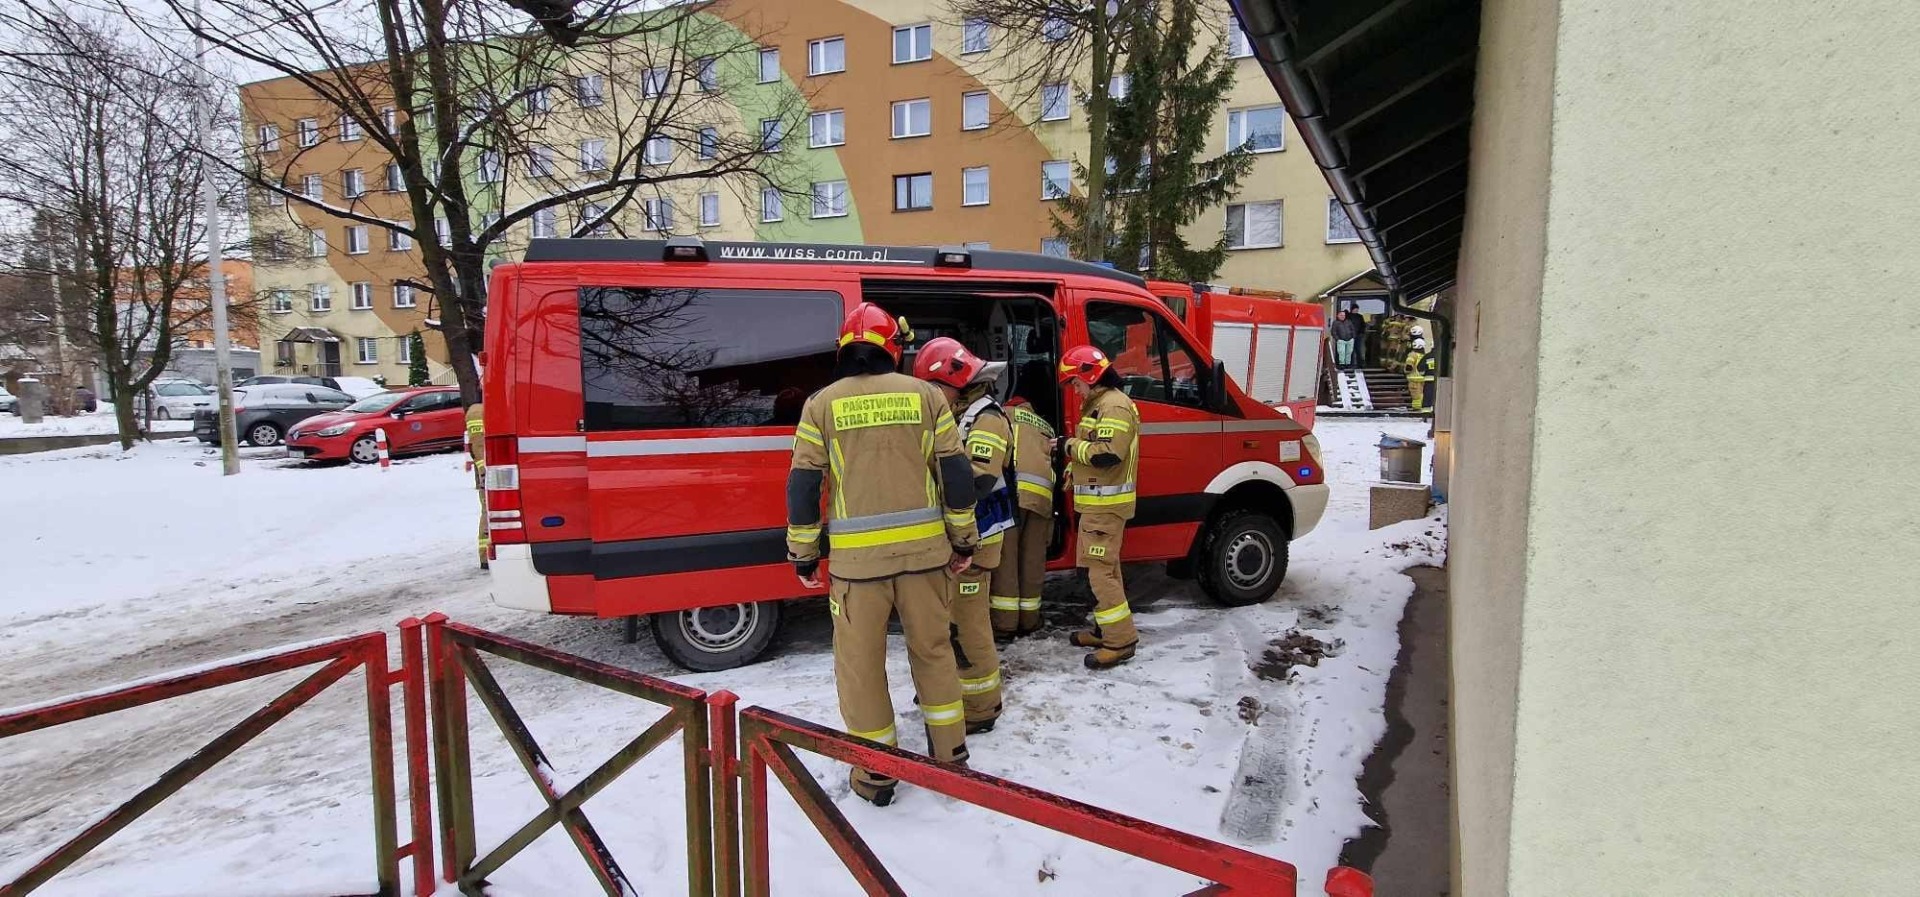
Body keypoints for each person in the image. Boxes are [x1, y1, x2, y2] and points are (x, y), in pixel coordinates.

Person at [786, 303, 980, 806]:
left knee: (861, 666)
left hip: (856, 570)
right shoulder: (928, 397)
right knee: (934, 653)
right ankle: (951, 756)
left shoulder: (820, 406)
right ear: (894, 345)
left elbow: (805, 484)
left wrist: (804, 554)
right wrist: (963, 541)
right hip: (925, 557)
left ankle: (875, 775)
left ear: (845, 349)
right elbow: (956, 476)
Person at [910, 337, 1010, 734]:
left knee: (969, 626)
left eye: (935, 390)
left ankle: (982, 707)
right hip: (958, 536)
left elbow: (980, 480)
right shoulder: (959, 413)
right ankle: (947, 689)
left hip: (980, 537)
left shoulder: (987, 418)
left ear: (955, 379)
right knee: (948, 621)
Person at [1056, 345, 1141, 670]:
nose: (1075, 392)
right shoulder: (1102, 405)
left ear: (1090, 376)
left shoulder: (1114, 406)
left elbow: (1108, 454)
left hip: (1106, 508)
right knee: (1107, 570)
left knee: (1100, 573)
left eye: (1076, 384)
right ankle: (1106, 630)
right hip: (1099, 507)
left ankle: (1120, 642)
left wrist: (1068, 446)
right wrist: (1072, 468)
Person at [995, 382, 1056, 640]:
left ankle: (1005, 623)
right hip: (1041, 498)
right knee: (1031, 560)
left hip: (1012, 496)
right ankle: (1030, 619)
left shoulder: (998, 416)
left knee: (1006, 562)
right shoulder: (1045, 425)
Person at [1405, 337, 1432, 412]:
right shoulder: (1424, 356)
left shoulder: (1412, 355)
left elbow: (1409, 366)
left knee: (1416, 397)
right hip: (1423, 379)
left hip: (1414, 380)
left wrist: (1406, 372)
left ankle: (1416, 410)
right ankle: (1420, 409)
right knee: (1422, 395)